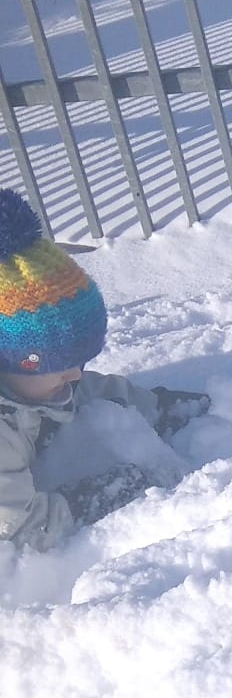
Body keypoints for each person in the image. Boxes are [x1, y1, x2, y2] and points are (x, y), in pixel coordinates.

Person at [0, 188, 210, 550]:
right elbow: (18, 529)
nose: (74, 375)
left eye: (80, 362)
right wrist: (88, 499)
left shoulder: (37, 383)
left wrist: (154, 408)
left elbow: (89, 390)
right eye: (60, 367)